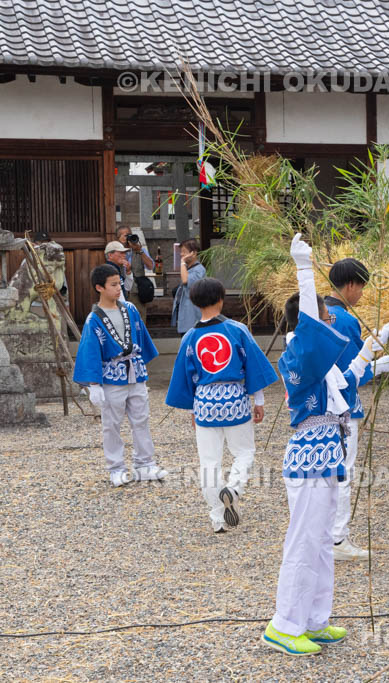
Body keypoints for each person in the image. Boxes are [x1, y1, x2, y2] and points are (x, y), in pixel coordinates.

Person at [263, 234, 361, 656]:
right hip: (309, 457)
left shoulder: (317, 363)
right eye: (325, 314)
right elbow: (307, 320)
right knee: (304, 540)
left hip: (326, 455)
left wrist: (379, 349)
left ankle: (315, 619)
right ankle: (284, 624)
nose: (332, 319)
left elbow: (352, 376)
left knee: (321, 540)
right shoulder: (300, 353)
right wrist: (305, 269)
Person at [165, 278, 279, 533]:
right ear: (221, 299)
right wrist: (258, 400)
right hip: (234, 398)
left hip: (204, 401)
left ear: (194, 303)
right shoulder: (237, 330)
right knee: (244, 452)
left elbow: (186, 377)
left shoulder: (190, 337)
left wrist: (194, 410)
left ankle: (217, 518)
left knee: (209, 462)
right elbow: (253, 367)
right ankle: (235, 488)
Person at [325, 258, 389, 561]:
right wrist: (381, 363)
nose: (362, 295)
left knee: (326, 472)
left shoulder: (317, 312)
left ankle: (324, 534)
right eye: (362, 288)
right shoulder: (343, 319)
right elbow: (352, 373)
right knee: (343, 472)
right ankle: (338, 539)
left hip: (317, 409)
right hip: (343, 408)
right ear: (352, 285)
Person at [72, 264, 166, 487]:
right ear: (99, 288)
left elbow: (141, 336)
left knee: (141, 419)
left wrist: (141, 361)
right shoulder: (93, 319)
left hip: (135, 372)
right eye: (113, 285)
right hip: (111, 375)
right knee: (111, 424)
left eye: (119, 284)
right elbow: (90, 350)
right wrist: (94, 385)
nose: (118, 289)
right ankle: (116, 468)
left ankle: (145, 464)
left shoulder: (130, 309)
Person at [117, 226, 154, 323]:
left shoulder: (139, 250)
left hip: (136, 291)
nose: (128, 238)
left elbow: (150, 266)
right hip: (120, 290)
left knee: (139, 320)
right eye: (126, 236)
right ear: (119, 238)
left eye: (130, 235)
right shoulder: (116, 252)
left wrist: (139, 251)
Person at [171, 239, 206, 335]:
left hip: (193, 317)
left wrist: (182, 262)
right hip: (186, 315)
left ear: (193, 253)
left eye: (184, 252)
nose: (181, 254)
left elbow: (186, 280)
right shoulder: (189, 268)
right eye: (181, 252)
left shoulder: (199, 269)